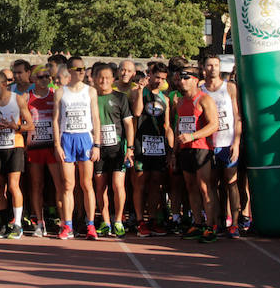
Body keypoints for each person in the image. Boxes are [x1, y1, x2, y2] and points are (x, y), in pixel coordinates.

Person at [53, 63, 101, 240]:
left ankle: (90, 225)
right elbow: (56, 120)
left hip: (85, 138)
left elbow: (95, 117)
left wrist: (97, 144)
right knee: (67, 185)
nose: (82, 72)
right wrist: (57, 145)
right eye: (79, 69)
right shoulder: (61, 92)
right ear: (71, 71)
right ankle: (68, 225)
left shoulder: (90, 91)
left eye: (83, 69)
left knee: (87, 184)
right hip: (67, 138)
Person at [0, 71, 32, 239]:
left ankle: (17, 224)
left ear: (3, 85)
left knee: (13, 185)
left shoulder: (17, 100)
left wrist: (15, 126)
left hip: (15, 146)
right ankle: (3, 224)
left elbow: (30, 125)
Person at [175, 66, 219, 243]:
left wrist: (193, 136)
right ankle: (198, 223)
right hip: (185, 149)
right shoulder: (179, 102)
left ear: (195, 80)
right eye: (180, 78)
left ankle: (211, 226)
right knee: (191, 186)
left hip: (201, 148)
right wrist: (174, 151)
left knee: (204, 186)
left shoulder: (205, 99)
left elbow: (214, 124)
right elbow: (178, 125)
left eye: (186, 78)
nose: (182, 81)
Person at [91, 62, 134, 238]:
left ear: (113, 79)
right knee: (100, 186)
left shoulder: (121, 97)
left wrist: (130, 148)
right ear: (94, 79)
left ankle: (118, 221)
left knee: (117, 185)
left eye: (108, 77)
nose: (104, 81)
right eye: (101, 77)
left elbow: (129, 124)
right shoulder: (90, 98)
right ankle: (105, 221)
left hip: (117, 147)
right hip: (98, 148)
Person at [201, 55, 242, 238]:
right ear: (204, 68)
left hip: (227, 142)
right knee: (212, 184)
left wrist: (237, 142)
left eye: (216, 65)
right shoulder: (200, 89)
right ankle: (217, 221)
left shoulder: (230, 87)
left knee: (231, 183)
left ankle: (234, 222)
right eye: (210, 65)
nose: (213, 68)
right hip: (209, 144)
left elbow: (237, 116)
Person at [131, 62, 172, 237]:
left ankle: (154, 219)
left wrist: (171, 150)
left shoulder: (165, 99)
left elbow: (168, 126)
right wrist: (141, 91)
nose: (159, 81)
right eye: (157, 77)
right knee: (140, 183)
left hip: (159, 146)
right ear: (150, 75)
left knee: (156, 182)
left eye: (163, 79)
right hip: (141, 144)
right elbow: (138, 113)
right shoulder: (138, 92)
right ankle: (140, 221)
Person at [26, 65, 61, 238]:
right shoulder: (27, 97)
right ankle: (40, 223)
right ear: (32, 79)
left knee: (59, 185)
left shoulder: (55, 95)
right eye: (40, 77)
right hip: (34, 147)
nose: (45, 79)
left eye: (47, 76)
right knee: (36, 185)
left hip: (52, 146)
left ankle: (64, 221)